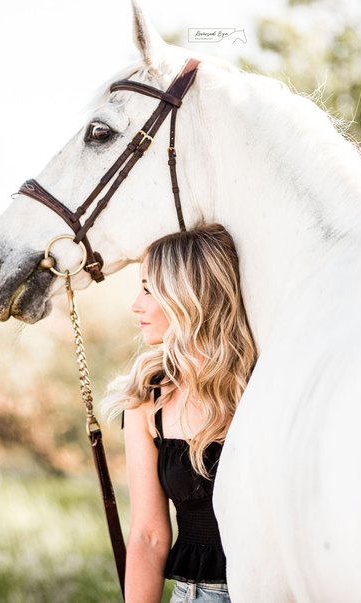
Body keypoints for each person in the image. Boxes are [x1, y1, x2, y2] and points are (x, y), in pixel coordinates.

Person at [103, 223, 258, 603]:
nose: (135, 305)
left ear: (188, 297)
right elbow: (148, 535)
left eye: (147, 289)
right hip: (194, 595)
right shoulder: (147, 399)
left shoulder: (262, 386)